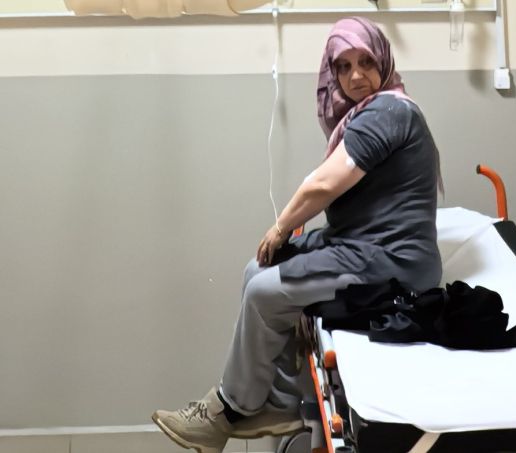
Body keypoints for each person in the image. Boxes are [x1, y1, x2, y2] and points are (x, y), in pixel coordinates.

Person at [152, 16, 443, 453]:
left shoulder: (389, 111)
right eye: (343, 66)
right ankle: (281, 400)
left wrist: (281, 226)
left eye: (366, 62)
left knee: (263, 292)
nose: (356, 76)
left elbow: (323, 185)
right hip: (360, 244)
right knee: (257, 270)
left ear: (383, 60)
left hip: (392, 262)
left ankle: (228, 410)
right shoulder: (370, 112)